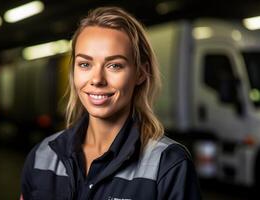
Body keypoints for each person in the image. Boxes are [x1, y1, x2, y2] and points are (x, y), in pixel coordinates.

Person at [21, 6, 202, 200]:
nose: (97, 79)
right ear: (73, 71)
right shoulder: (41, 155)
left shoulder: (169, 165)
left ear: (141, 73)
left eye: (114, 65)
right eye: (85, 64)